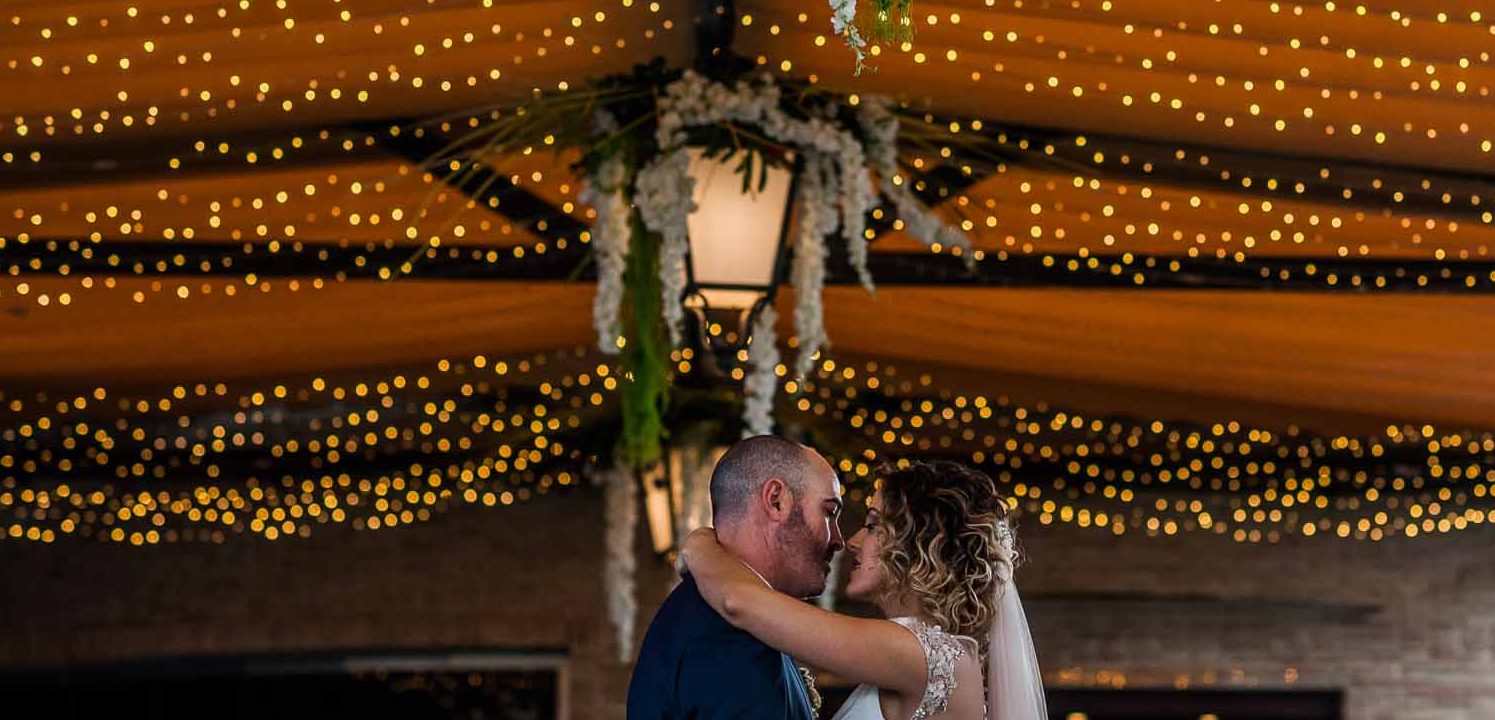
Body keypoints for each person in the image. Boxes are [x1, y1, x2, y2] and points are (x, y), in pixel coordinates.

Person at [679, 460, 1046, 720]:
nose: (852, 541)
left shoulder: (920, 656)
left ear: (919, 543)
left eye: (872, 526)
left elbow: (738, 602)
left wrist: (699, 544)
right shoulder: (923, 653)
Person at [626, 435, 847, 719]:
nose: (839, 540)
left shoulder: (738, 620)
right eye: (829, 512)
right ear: (776, 500)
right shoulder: (729, 637)